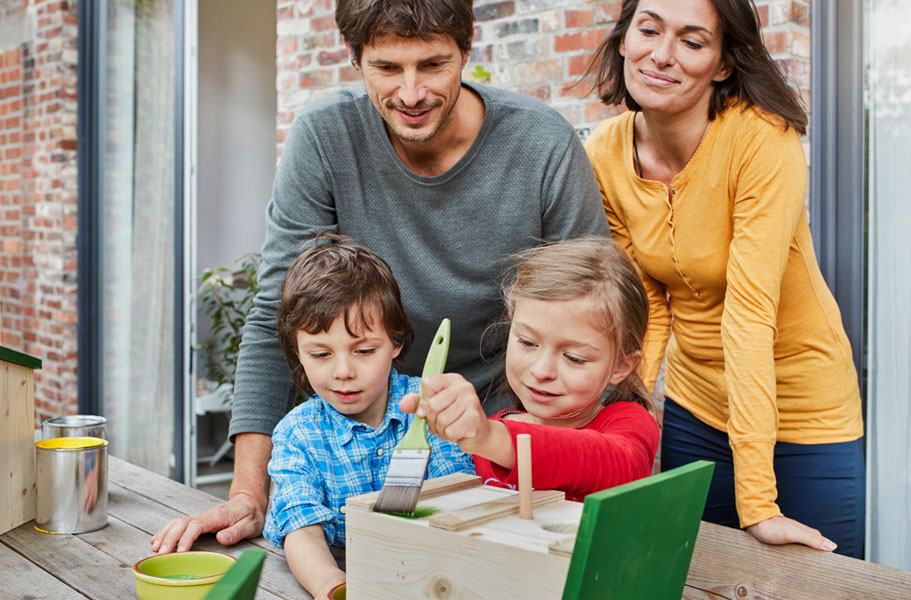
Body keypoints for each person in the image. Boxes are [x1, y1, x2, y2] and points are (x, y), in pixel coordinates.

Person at [151, 0, 605, 554]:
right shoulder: (324, 138)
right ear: (355, 58)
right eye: (388, 68)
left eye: (433, 65)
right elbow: (276, 310)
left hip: (504, 443)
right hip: (369, 440)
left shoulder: (542, 144)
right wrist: (249, 493)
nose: (411, 94)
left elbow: (590, 315)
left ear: (467, 51)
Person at [582, 0, 865, 556]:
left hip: (804, 409)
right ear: (623, 40)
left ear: (722, 64)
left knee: (825, 589)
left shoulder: (762, 138)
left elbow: (749, 310)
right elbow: (651, 308)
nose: (662, 55)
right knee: (701, 578)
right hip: (698, 407)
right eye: (648, 30)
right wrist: (629, 427)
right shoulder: (605, 153)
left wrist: (756, 501)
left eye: (692, 41)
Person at [262, 234, 473, 599]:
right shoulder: (297, 435)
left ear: (396, 342)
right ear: (297, 351)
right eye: (321, 354)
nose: (343, 371)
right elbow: (302, 530)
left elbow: (457, 504)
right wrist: (333, 585)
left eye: (363, 350)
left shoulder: (427, 408)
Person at [402, 237, 660, 500]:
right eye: (527, 342)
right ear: (511, 324)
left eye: (574, 358)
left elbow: (620, 464)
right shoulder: (495, 428)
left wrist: (491, 439)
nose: (541, 370)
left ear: (621, 364)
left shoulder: (630, 423)